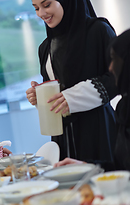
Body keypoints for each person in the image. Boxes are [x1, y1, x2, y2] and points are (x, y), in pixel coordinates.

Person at [26, 0, 117, 170]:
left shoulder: (98, 31)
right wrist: (40, 95)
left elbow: (117, 78)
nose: (41, 14)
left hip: (97, 131)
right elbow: (57, 90)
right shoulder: (45, 47)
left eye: (46, 5)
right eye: (36, 8)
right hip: (62, 137)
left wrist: (72, 97)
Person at [55, 29, 130, 171]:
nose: (111, 67)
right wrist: (87, 167)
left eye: (116, 59)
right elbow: (121, 168)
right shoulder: (124, 107)